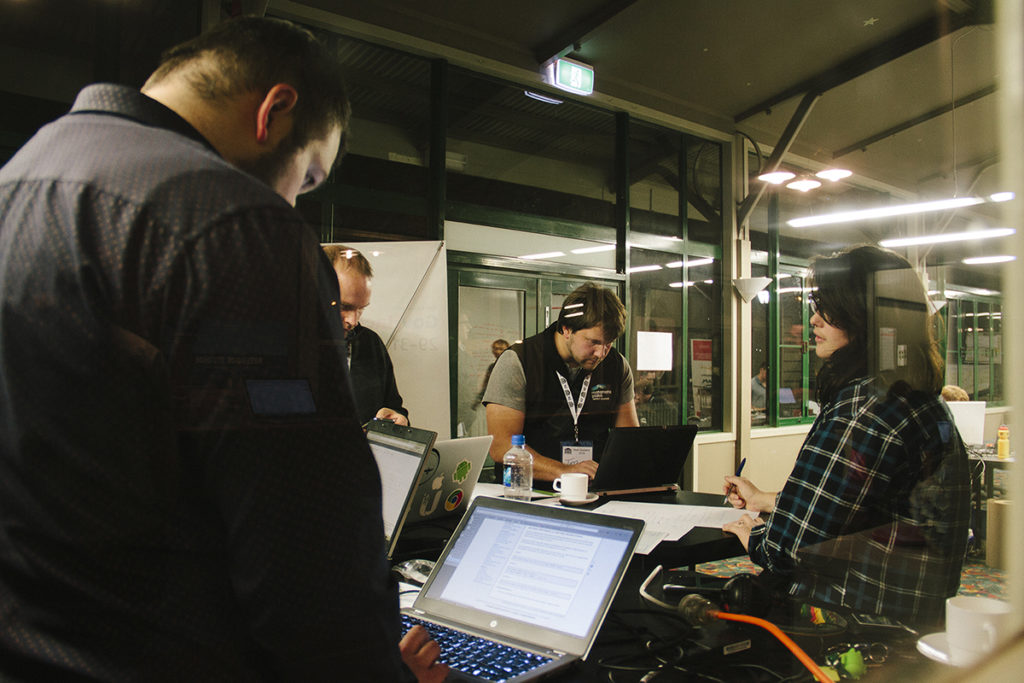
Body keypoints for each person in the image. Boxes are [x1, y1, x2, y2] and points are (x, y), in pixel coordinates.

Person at [0, 17, 444, 682]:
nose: (296, 198)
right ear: (275, 110)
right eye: (310, 175)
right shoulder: (232, 221)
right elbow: (306, 550)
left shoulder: (19, 181)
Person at [721, 245, 970, 626]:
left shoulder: (865, 408)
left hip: (853, 627)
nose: (815, 320)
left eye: (830, 309)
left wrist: (755, 533)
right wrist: (765, 500)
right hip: (916, 618)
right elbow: (856, 505)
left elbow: (788, 547)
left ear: (864, 316)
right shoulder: (914, 397)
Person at [483, 282, 639, 485]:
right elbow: (502, 447)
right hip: (530, 493)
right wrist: (565, 471)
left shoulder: (616, 366)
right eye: (594, 342)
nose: (601, 353)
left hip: (592, 490)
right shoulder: (519, 361)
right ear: (566, 329)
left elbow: (628, 440)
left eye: (609, 343)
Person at [322, 244, 409, 426]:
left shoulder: (370, 343)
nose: (353, 321)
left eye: (360, 309)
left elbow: (395, 407)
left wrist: (399, 420)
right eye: (344, 307)